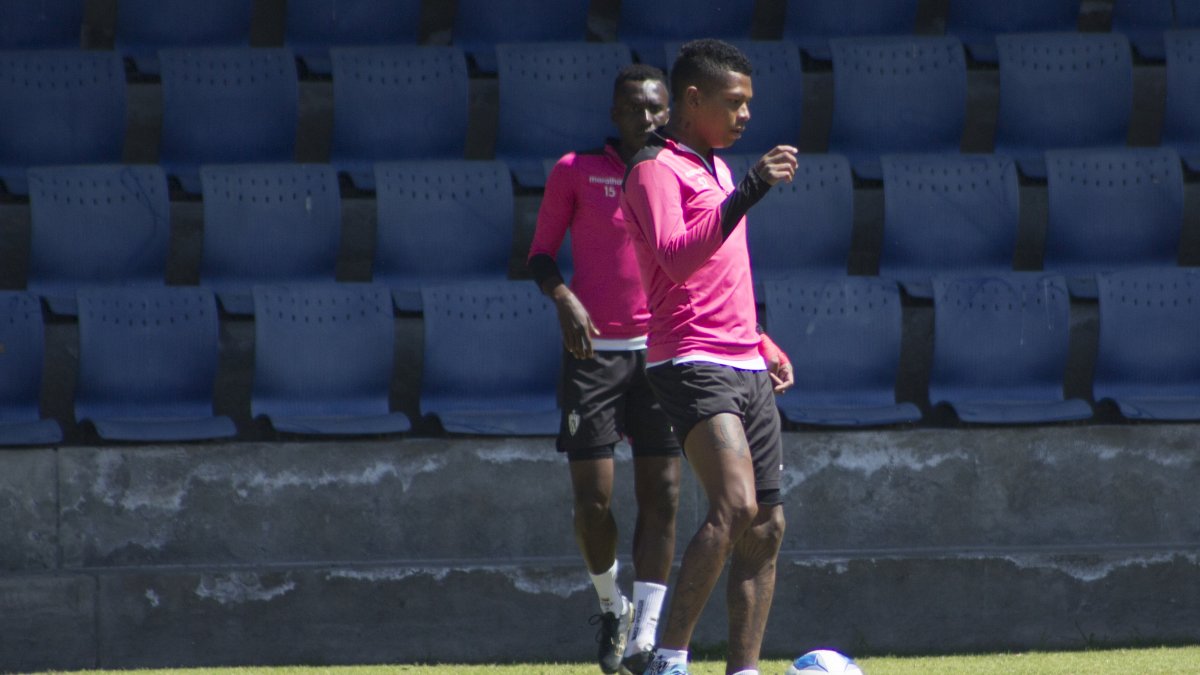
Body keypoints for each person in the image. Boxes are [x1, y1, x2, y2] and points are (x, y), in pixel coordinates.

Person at [619, 39, 799, 675]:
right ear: (692, 100)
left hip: (744, 359)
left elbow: (726, 272)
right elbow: (674, 256)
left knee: (766, 528)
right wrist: (750, 188)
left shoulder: (718, 168)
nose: (745, 115)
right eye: (734, 102)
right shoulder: (652, 170)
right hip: (691, 360)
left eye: (749, 103)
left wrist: (762, 340)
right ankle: (666, 659)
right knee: (734, 506)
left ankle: (743, 670)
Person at [527, 64, 682, 675]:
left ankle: (645, 635)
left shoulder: (677, 170)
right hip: (593, 356)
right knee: (593, 504)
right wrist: (563, 297)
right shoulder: (576, 170)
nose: (646, 118)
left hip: (665, 351)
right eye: (634, 108)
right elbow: (540, 254)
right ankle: (610, 604)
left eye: (656, 108)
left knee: (664, 495)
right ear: (614, 112)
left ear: (669, 112)